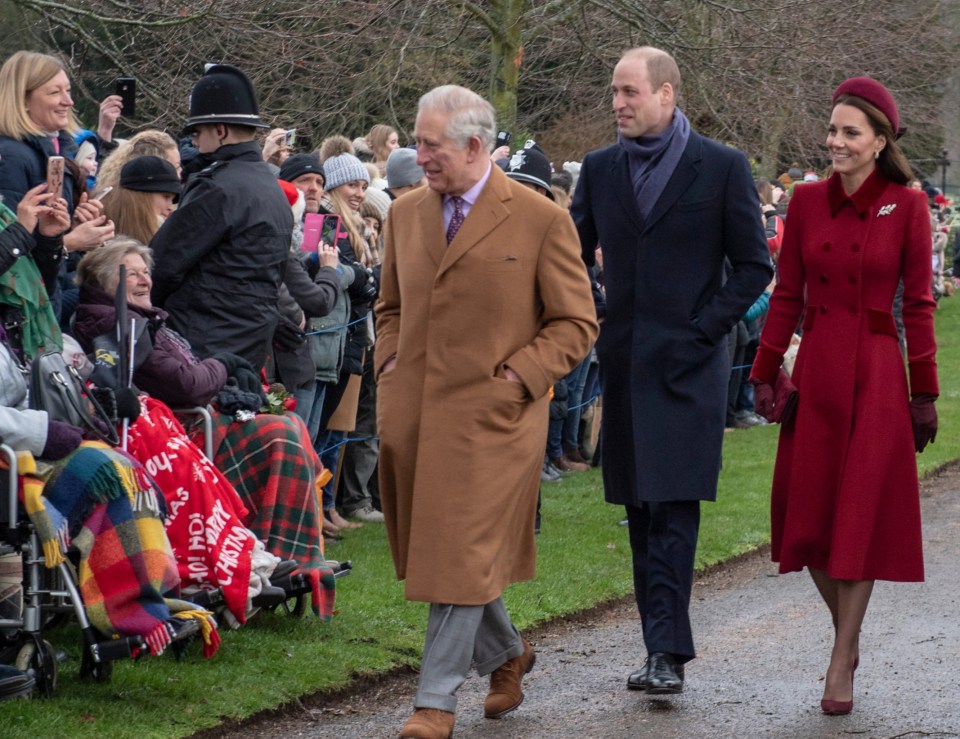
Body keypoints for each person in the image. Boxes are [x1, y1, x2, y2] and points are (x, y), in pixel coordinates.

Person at [376, 84, 597, 739]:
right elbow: (389, 307)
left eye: (430, 145)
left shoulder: (539, 218)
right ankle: (507, 655)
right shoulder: (405, 215)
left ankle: (435, 699)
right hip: (416, 416)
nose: (418, 156)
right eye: (415, 142)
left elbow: (576, 322)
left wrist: (518, 377)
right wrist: (389, 360)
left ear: (475, 146)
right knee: (450, 551)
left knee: (461, 546)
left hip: (498, 421)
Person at [571, 47, 772, 694]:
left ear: (666, 94)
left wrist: (701, 330)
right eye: (612, 92)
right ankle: (659, 643)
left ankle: (666, 652)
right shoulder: (600, 171)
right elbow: (567, 258)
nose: (618, 103)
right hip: (625, 364)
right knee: (639, 508)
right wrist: (596, 313)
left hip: (690, 368)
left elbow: (752, 267)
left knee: (674, 506)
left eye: (629, 91)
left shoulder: (719, 167)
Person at [749, 77, 938, 716]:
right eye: (832, 130)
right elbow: (786, 296)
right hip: (820, 370)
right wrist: (764, 370)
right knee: (805, 518)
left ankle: (840, 658)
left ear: (880, 141)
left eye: (850, 132)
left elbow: (917, 304)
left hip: (880, 375)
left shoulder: (908, 207)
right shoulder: (804, 201)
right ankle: (847, 636)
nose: (835, 142)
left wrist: (925, 393)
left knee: (858, 513)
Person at [72, 239, 337, 618]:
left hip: (193, 417)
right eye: (132, 274)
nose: (145, 280)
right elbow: (185, 385)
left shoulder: (140, 318)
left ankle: (287, 550)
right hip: (179, 428)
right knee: (280, 432)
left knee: (288, 423)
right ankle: (273, 551)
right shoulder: (118, 323)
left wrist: (228, 386)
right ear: (103, 281)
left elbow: (191, 374)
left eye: (146, 271)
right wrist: (224, 366)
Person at [149, 64, 292, 370]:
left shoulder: (218, 188)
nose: (196, 142)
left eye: (198, 132)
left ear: (220, 130)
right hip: (248, 351)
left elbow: (161, 265)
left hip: (198, 347)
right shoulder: (273, 189)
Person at [102, 155, 181, 244]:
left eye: (173, 200)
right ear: (141, 197)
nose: (170, 207)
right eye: (166, 196)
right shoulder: (100, 238)